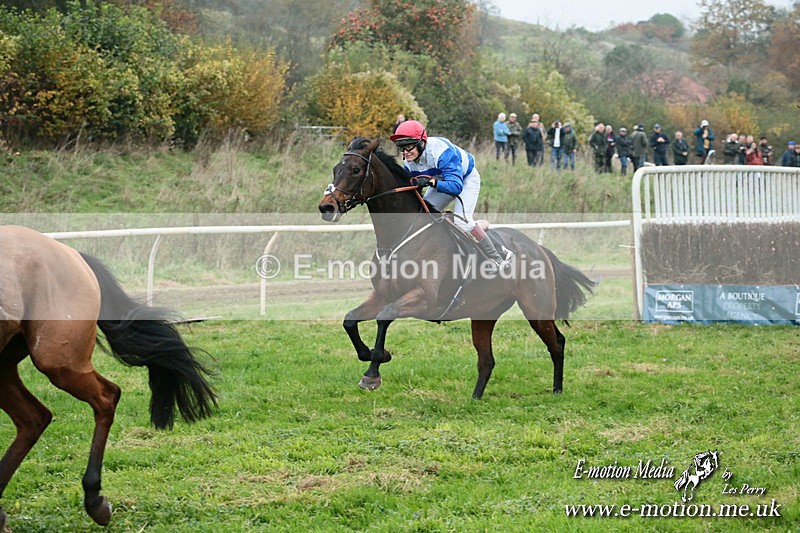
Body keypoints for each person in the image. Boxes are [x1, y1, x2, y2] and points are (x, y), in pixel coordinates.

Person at [390, 120, 512, 268]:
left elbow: (455, 187)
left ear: (421, 143)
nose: (405, 152)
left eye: (409, 146)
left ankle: (498, 256)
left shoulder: (441, 151)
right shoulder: (409, 161)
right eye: (401, 148)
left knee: (462, 222)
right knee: (424, 214)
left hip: (465, 179)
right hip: (442, 178)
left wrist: (431, 183)